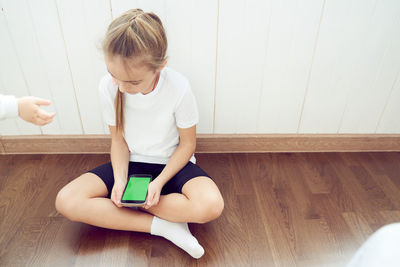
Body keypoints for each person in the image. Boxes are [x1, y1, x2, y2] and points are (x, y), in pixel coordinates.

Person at [55, 9, 224, 259]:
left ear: (160, 67)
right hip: (132, 163)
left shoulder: (178, 87)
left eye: (132, 82)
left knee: (211, 205)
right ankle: (163, 226)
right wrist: (121, 179)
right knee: (66, 200)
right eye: (114, 76)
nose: (122, 87)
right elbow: (118, 141)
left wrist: (159, 183)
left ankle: (137, 209)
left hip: (173, 165)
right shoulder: (108, 87)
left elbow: (187, 145)